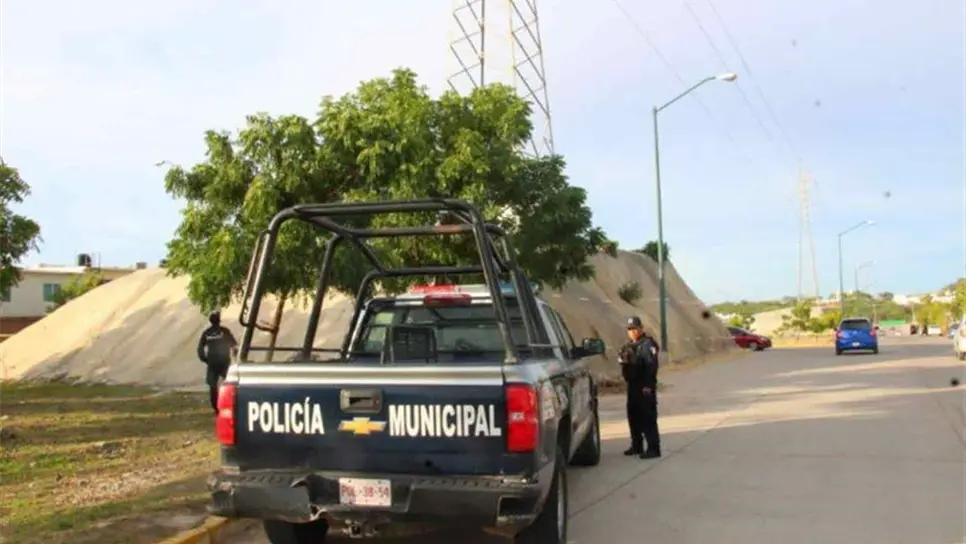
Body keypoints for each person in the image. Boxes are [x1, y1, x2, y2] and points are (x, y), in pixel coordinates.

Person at [618, 316, 662, 459]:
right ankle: (636, 445)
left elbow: (651, 366)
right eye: (630, 329)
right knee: (633, 416)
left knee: (648, 418)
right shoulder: (629, 345)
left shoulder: (648, 344)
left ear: (641, 329)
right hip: (632, 385)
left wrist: (648, 385)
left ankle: (653, 448)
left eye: (635, 329)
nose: (632, 332)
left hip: (644, 386)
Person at [197, 311, 238, 413]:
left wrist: (205, 359)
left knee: (212, 386)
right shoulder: (225, 331)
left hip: (212, 362)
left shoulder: (206, 333)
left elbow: (200, 349)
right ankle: (232, 404)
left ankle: (216, 408)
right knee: (230, 383)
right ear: (219, 320)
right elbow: (234, 345)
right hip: (224, 361)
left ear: (210, 321)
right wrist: (234, 357)